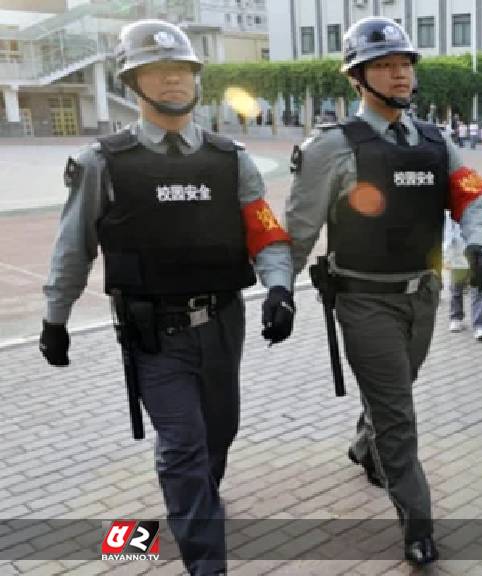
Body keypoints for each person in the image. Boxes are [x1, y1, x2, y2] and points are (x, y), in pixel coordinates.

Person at [37, 20, 294, 576]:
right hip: (155, 334)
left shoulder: (231, 159)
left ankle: (196, 506)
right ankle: (207, 563)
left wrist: (279, 287)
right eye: (158, 71)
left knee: (217, 435)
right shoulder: (103, 162)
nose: (173, 80)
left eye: (181, 70)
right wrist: (54, 319)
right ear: (133, 82)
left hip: (224, 324)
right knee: (182, 444)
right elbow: (72, 247)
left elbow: (267, 232)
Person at [284, 17, 482, 565]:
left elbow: (470, 199)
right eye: (384, 65)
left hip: (421, 295)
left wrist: (479, 246)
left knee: (394, 393)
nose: (399, 74)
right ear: (357, 78)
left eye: (404, 64)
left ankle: (364, 445)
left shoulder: (435, 141)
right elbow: (300, 230)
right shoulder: (330, 148)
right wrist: (279, 289)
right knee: (398, 413)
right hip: (363, 300)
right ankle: (417, 522)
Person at [445, 215, 482, 342]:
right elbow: (448, 232)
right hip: (457, 253)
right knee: (456, 287)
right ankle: (456, 317)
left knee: (478, 289)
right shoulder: (453, 210)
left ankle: (480, 326)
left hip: (478, 252)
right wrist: (447, 253)